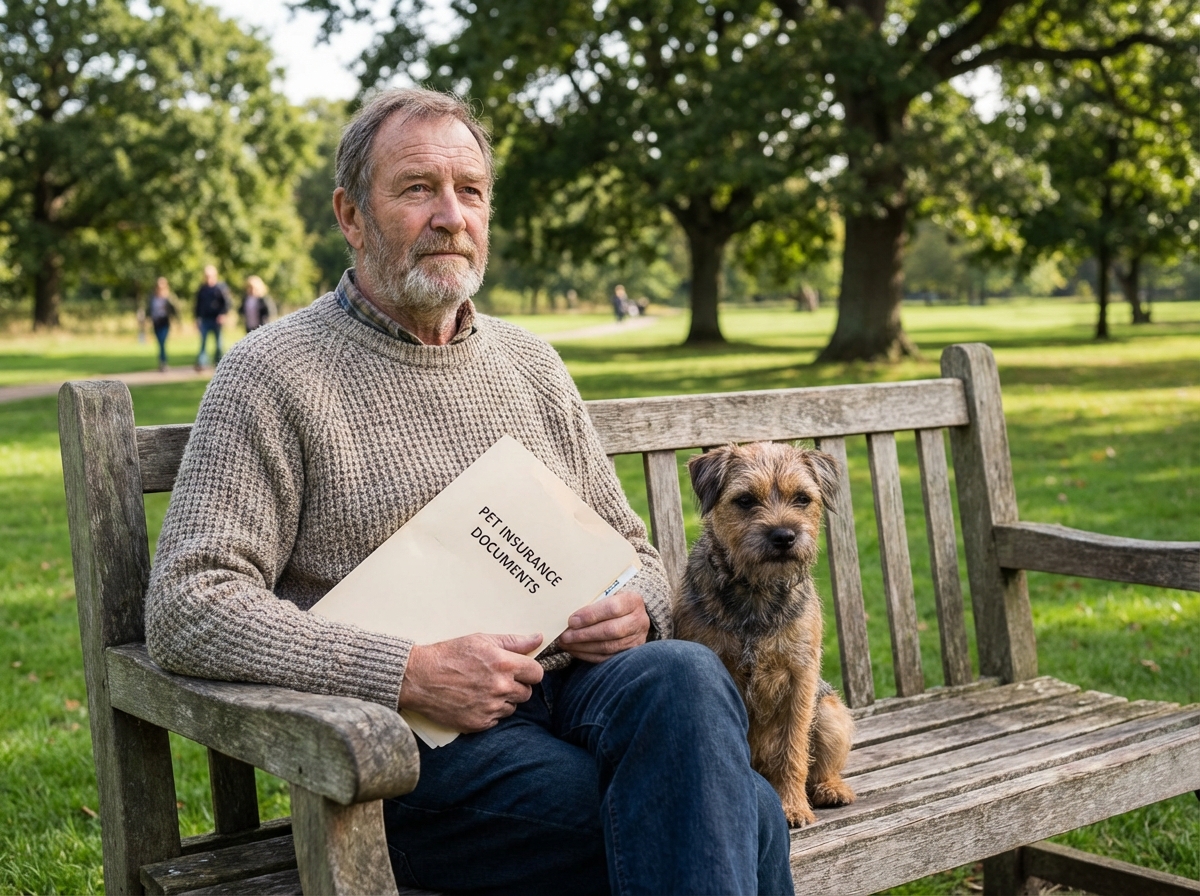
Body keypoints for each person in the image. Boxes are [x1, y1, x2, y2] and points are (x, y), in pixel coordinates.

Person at [145, 88, 792, 896]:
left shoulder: (530, 364)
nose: (452, 215)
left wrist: (641, 608)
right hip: (413, 748)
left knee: (687, 679)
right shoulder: (271, 374)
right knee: (745, 816)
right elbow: (188, 602)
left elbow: (635, 551)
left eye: (471, 191)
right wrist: (405, 671)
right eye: (418, 188)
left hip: (581, 692)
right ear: (352, 215)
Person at [194, 264, 232, 369]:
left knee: (219, 343)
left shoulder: (220, 288)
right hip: (205, 319)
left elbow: (227, 303)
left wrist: (223, 314)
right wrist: (197, 319)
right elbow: (198, 305)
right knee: (203, 343)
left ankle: (219, 363)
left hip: (216, 320)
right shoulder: (202, 289)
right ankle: (201, 363)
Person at [145, 278, 180, 372]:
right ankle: (162, 362)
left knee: (162, 342)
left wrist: (178, 322)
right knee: (160, 343)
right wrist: (147, 319)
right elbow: (148, 309)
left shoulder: (169, 297)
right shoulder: (153, 297)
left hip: (165, 322)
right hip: (156, 322)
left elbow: (175, 309)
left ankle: (163, 362)